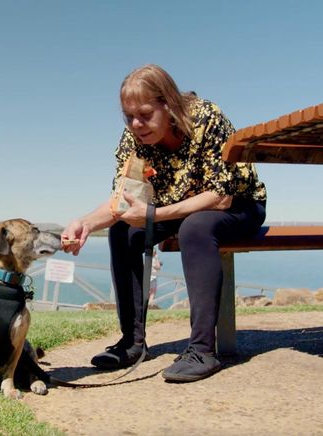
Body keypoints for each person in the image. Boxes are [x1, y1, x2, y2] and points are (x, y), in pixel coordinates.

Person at [61, 64, 266, 383]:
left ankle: (202, 350)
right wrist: (85, 223)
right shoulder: (134, 139)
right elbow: (122, 202)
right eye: (129, 116)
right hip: (175, 208)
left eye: (144, 114)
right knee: (123, 229)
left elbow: (221, 196)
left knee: (195, 227)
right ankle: (131, 342)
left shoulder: (206, 117)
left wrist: (154, 215)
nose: (136, 124)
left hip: (239, 205)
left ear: (168, 104)